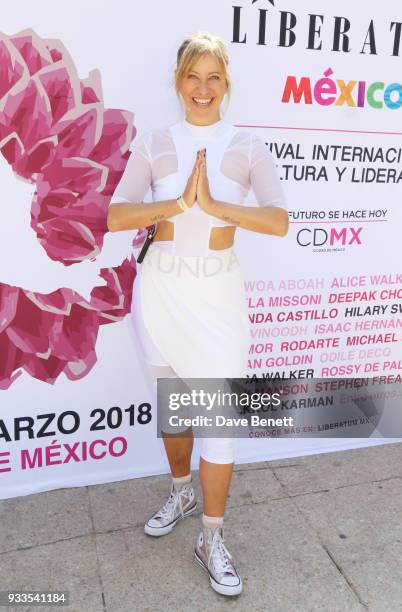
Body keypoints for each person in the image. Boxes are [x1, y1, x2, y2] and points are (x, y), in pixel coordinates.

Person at [107, 31, 288, 597]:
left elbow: (279, 220)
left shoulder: (247, 146)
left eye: (213, 78)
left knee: (220, 423)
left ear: (225, 84)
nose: (202, 89)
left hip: (218, 300)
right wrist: (179, 203)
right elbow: (116, 215)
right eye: (193, 76)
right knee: (174, 407)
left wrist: (213, 205)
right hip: (160, 293)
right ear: (178, 82)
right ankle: (181, 490)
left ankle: (211, 537)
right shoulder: (155, 142)